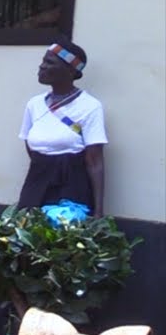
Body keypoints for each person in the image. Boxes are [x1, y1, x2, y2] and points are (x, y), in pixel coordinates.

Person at [17, 40, 106, 217]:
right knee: (29, 235)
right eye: (43, 61)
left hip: (72, 185)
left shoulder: (89, 106)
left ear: (71, 71)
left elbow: (95, 162)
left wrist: (98, 212)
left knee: (65, 239)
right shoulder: (34, 105)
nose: (41, 66)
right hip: (36, 182)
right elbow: (30, 144)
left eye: (50, 62)